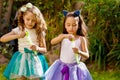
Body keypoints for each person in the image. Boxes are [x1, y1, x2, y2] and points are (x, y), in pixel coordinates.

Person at [0, 3, 48, 80]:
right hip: (21, 59)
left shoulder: (39, 31)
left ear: (37, 20)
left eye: (33, 20)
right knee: (21, 78)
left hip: (35, 59)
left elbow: (44, 49)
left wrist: (37, 48)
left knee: (36, 78)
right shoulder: (19, 29)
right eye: (28, 19)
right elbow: (2, 39)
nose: (30, 22)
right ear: (23, 17)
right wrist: (18, 35)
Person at [44, 10, 93, 80]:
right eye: (68, 25)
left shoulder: (81, 39)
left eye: (74, 25)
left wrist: (79, 52)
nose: (71, 28)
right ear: (65, 25)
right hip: (61, 66)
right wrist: (64, 36)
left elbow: (87, 55)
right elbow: (52, 42)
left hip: (74, 69)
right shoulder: (63, 37)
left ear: (78, 25)